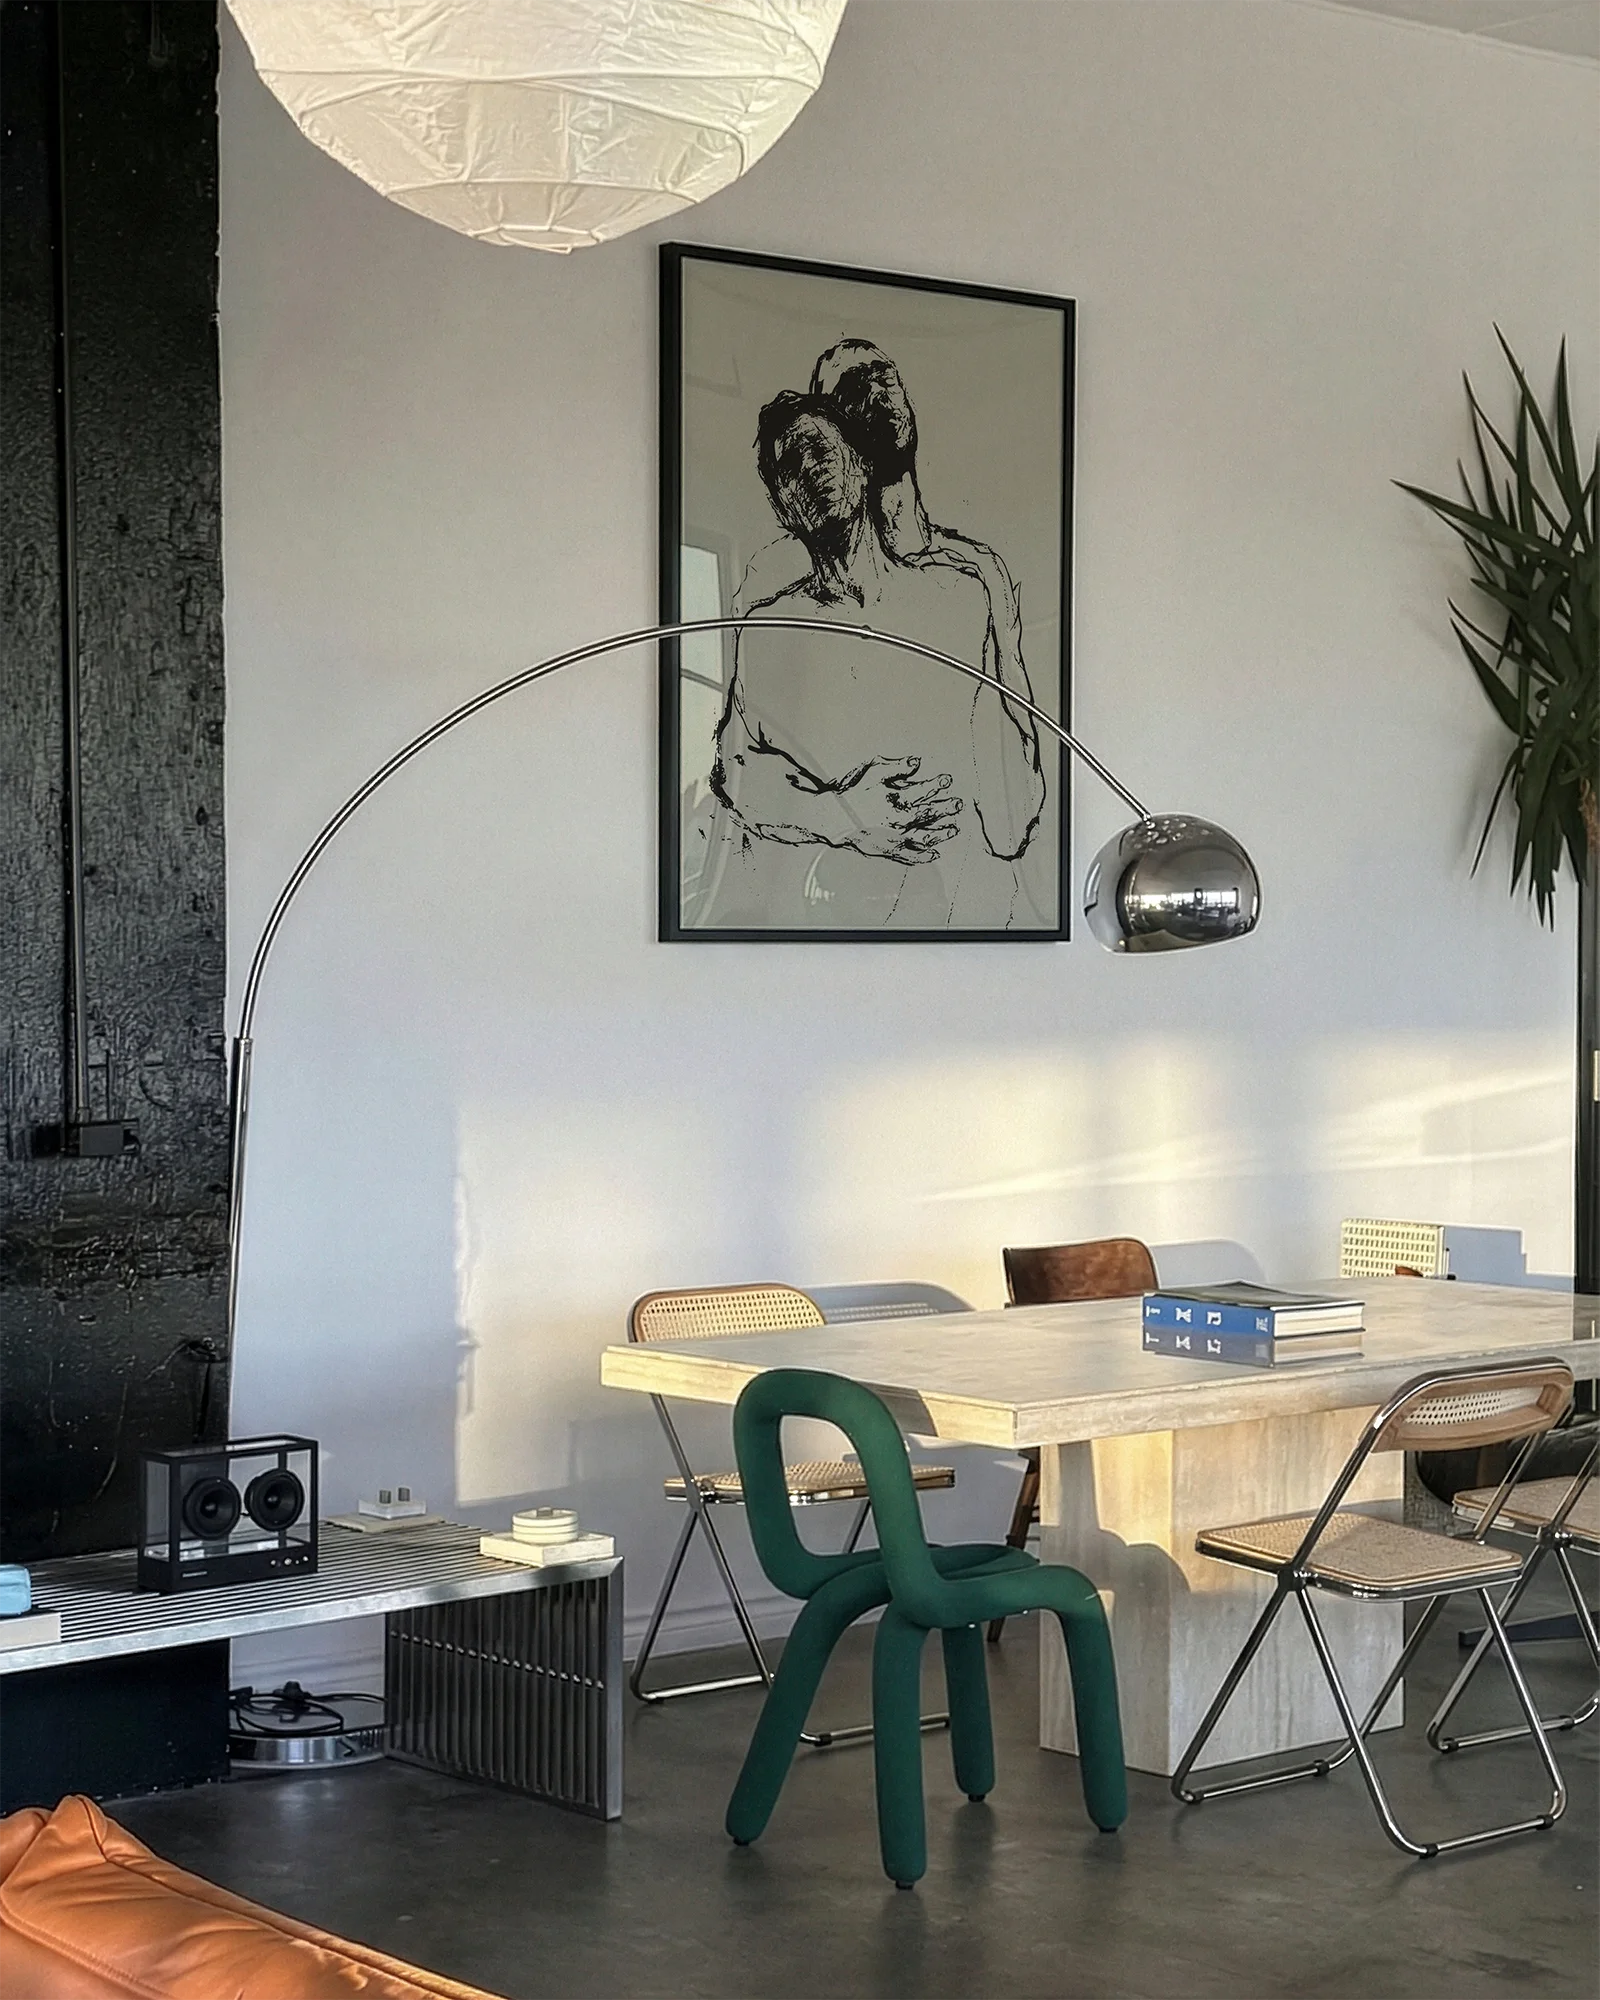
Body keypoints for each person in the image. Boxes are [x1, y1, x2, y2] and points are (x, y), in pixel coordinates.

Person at [710, 393, 1025, 930]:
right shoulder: (769, 630)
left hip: (967, 909)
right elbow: (736, 770)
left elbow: (1010, 765)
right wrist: (843, 814)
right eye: (789, 466)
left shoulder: (962, 597)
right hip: (821, 911)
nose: (809, 469)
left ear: (860, 466)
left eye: (819, 448)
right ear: (783, 509)